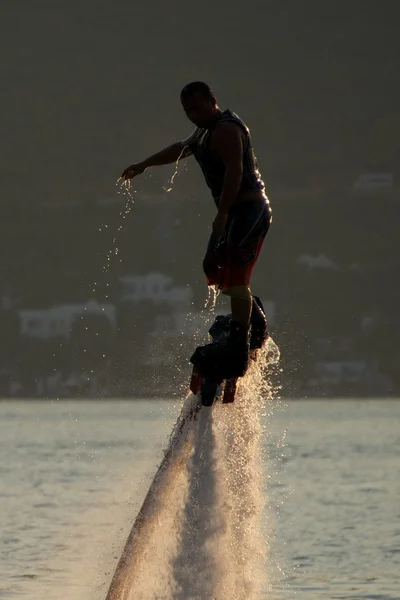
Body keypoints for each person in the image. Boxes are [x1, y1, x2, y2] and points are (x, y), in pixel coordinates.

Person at [121, 81, 272, 378]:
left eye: (197, 108)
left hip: (248, 210)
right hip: (232, 213)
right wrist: (144, 165)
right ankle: (252, 321)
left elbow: (235, 172)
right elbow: (180, 149)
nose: (193, 115)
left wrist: (223, 215)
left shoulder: (227, 129)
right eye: (187, 111)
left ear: (212, 101)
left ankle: (239, 346)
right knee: (214, 268)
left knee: (236, 279)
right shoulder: (203, 131)